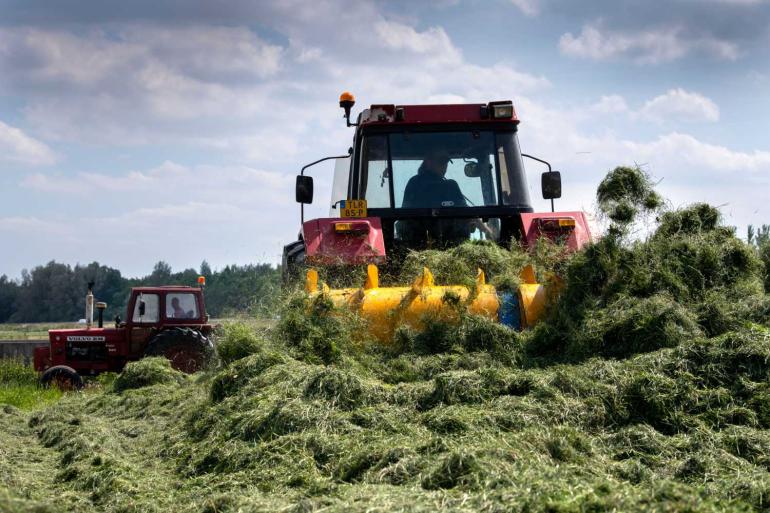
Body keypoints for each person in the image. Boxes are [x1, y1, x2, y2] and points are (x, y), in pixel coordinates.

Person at [402, 150, 467, 209]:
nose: (445, 166)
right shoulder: (450, 186)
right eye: (442, 161)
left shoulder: (414, 182)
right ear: (428, 162)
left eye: (446, 162)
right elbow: (406, 214)